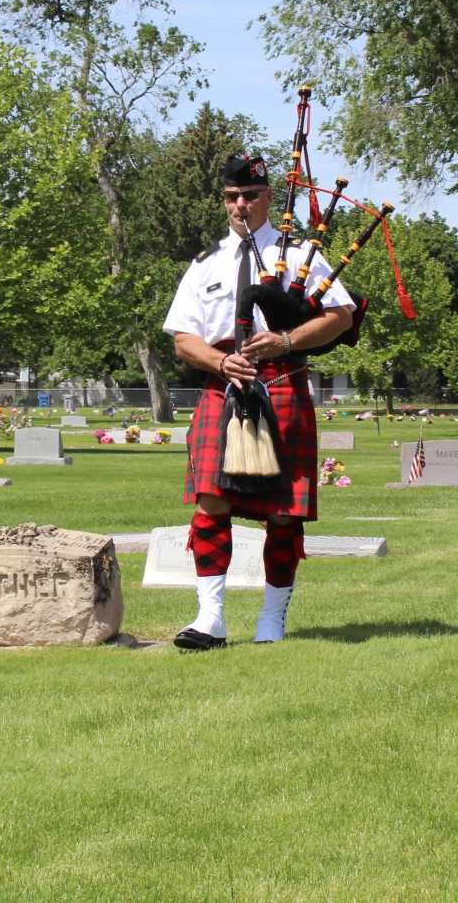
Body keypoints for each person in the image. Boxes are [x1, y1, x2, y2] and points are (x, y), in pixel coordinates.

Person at [161, 152, 355, 650]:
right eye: (232, 197)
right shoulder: (205, 263)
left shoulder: (298, 254)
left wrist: (287, 340)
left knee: (284, 511)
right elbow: (183, 337)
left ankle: (272, 619)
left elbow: (341, 316)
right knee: (211, 498)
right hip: (222, 383)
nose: (240, 205)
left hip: (282, 379)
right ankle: (210, 618)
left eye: (249, 195)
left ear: (268, 197)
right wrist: (220, 361)